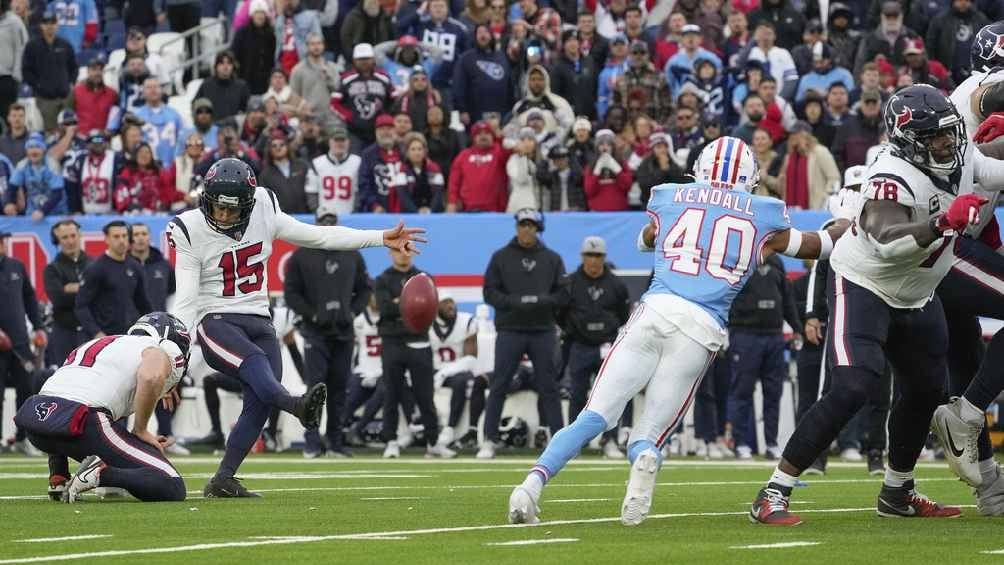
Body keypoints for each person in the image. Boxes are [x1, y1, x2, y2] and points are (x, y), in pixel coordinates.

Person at [507, 137, 852, 525]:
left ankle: (530, 485)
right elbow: (821, 245)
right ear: (749, 177)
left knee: (594, 415)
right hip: (701, 327)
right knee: (651, 432)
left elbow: (646, 239)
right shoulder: (764, 214)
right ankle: (645, 456)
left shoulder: (672, 196)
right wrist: (849, 216)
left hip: (654, 310)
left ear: (701, 168)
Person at [749, 84, 1004, 525]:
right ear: (909, 141)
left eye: (950, 131)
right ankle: (774, 490)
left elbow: (994, 170)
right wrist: (941, 222)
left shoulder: (959, 154)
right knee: (854, 386)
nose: (948, 142)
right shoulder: (890, 175)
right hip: (865, 286)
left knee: (926, 390)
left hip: (918, 294)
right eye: (936, 136)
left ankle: (897, 491)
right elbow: (887, 240)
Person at [167, 158, 426, 496]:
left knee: (260, 400)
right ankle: (296, 405)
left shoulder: (264, 207)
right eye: (218, 207)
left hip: (259, 317)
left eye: (233, 209)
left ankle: (224, 478)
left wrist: (380, 237)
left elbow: (321, 236)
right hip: (215, 319)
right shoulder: (189, 228)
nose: (225, 216)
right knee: (258, 366)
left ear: (249, 203)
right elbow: (186, 301)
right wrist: (174, 358)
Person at [22, 312, 190, 503]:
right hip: (84, 423)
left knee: (68, 400)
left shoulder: (100, 344)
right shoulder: (159, 347)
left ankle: (58, 475)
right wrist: (141, 430)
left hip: (36, 423)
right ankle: (100, 473)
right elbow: (151, 377)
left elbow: (65, 391)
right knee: (172, 484)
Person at [479, 208, 567, 459]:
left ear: (538, 228)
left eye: (531, 225)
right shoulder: (500, 257)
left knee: (549, 387)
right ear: (516, 227)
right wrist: (514, 302)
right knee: (499, 384)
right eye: (523, 224)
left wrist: (542, 301)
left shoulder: (552, 258)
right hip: (510, 329)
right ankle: (489, 440)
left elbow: (563, 293)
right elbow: (489, 292)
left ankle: (560, 442)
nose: (526, 229)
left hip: (542, 330)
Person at [284, 205, 371, 457]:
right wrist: (312, 314)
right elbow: (291, 293)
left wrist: (352, 312)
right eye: (324, 221)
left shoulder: (352, 254)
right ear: (315, 223)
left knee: (340, 388)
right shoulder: (301, 256)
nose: (328, 225)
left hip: (343, 331)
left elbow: (365, 289)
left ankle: (335, 441)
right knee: (315, 388)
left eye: (332, 220)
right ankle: (312, 442)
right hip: (315, 331)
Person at [374, 247, 455, 459]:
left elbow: (429, 307)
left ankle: (433, 443)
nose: (403, 254)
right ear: (390, 253)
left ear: (414, 252)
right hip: (392, 341)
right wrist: (410, 303)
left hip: (419, 340)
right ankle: (391, 441)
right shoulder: (382, 279)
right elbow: (385, 309)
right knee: (391, 392)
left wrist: (399, 303)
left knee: (425, 394)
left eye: (407, 250)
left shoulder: (424, 278)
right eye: (398, 250)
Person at [560, 236, 629, 460]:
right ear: (582, 257)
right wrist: (574, 330)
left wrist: (607, 331)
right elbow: (560, 313)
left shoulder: (616, 284)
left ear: (604, 257)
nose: (593, 260)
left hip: (606, 346)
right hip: (580, 345)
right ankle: (574, 444)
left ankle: (610, 440)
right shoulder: (570, 283)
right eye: (589, 255)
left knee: (611, 395)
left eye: (597, 255)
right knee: (577, 395)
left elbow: (623, 315)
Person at [728, 252, 802, 460]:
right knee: (742, 390)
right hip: (745, 333)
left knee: (773, 392)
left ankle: (771, 443)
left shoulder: (776, 262)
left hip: (773, 335)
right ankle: (740, 442)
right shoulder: (738, 258)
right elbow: (725, 295)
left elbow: (786, 298)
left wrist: (797, 328)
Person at [0, 230, 46, 456]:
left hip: (19, 342)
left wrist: (38, 327)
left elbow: (29, 297)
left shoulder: (16, 266)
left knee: (27, 390)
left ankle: (23, 438)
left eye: (1, 241)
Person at [75, 221, 153, 340]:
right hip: (104, 337)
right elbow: (81, 306)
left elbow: (143, 303)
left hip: (128, 336)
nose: (121, 240)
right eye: (116, 237)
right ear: (107, 239)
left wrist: (153, 327)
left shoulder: (135, 267)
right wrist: (96, 332)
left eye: (124, 236)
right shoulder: (96, 268)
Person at [429, 292, 485, 448]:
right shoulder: (427, 323)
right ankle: (418, 425)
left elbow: (471, 359)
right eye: (445, 302)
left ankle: (450, 428)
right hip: (434, 369)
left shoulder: (466, 322)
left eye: (452, 302)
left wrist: (443, 373)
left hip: (455, 371)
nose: (450, 306)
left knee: (462, 380)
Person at [43, 219, 91, 367]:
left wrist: (73, 288)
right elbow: (59, 300)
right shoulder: (51, 269)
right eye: (64, 237)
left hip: (91, 332)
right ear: (57, 241)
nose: (70, 241)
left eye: (73, 235)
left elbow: (102, 298)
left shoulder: (94, 264)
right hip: (64, 334)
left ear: (80, 236)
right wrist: (87, 290)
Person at [22, 11, 76, 131]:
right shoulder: (32, 46)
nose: (49, 26)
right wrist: (38, 86)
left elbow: (73, 67)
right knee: (51, 134)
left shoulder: (65, 45)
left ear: (57, 25)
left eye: (52, 23)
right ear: (41, 25)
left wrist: (70, 83)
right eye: (46, 23)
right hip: (45, 99)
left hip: (66, 97)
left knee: (68, 130)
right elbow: (26, 70)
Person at [333, 43, 393, 150]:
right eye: (360, 59)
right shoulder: (346, 78)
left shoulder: (384, 77)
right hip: (354, 131)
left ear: (373, 59)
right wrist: (349, 116)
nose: (364, 62)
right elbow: (334, 103)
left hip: (379, 130)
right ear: (354, 60)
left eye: (367, 59)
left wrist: (386, 116)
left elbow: (394, 98)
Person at [453, 24, 514, 126]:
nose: (483, 35)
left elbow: (510, 85)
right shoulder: (466, 58)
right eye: (479, 32)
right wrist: (462, 110)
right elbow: (459, 85)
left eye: (486, 32)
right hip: (475, 116)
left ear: (491, 35)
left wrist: (511, 109)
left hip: (502, 115)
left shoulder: (502, 57)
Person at [4, 133, 66, 219]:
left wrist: (43, 211)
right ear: (26, 151)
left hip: (56, 213)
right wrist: (8, 203)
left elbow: (58, 194)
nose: (34, 151)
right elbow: (12, 188)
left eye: (38, 147)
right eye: (30, 147)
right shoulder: (22, 165)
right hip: (33, 212)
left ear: (44, 150)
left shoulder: (52, 165)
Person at [289, 33, 341, 130]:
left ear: (323, 46)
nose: (316, 47)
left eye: (319, 43)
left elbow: (338, 90)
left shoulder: (332, 67)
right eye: (312, 44)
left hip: (330, 118)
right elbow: (294, 95)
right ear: (307, 46)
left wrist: (327, 76)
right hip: (309, 119)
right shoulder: (298, 70)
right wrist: (302, 112)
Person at [308, 127, 359, 216]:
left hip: (350, 216)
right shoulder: (316, 163)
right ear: (329, 142)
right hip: (324, 218)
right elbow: (311, 193)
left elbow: (359, 192)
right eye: (336, 140)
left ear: (348, 142)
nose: (339, 144)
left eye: (342, 140)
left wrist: (354, 213)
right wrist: (319, 214)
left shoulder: (358, 162)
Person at [135, 78, 185, 167]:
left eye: (155, 86)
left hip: (171, 167)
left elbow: (182, 141)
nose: (153, 90)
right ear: (143, 92)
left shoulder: (174, 115)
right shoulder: (137, 116)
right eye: (149, 87)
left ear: (161, 90)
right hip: (146, 168)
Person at [258, 130, 311, 213]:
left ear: (287, 146)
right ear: (269, 150)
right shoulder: (265, 175)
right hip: (281, 218)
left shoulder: (302, 166)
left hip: (305, 216)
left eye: (281, 144)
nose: (278, 148)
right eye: (274, 146)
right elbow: (265, 202)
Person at [231, 0, 276, 95]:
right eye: (257, 13)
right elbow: (234, 54)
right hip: (245, 79)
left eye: (262, 13)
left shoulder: (270, 34)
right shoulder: (242, 33)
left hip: (265, 81)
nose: (260, 16)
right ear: (252, 15)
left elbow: (272, 57)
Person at [392, 132, 444, 213]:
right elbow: (403, 196)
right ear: (407, 152)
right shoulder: (402, 170)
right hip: (410, 214)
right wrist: (417, 212)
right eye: (413, 149)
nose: (417, 153)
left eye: (420, 149)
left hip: (433, 213)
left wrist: (430, 211)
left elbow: (438, 194)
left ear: (425, 151)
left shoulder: (434, 168)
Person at [68, 54, 117, 134]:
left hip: (103, 137)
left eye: (100, 69)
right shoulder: (76, 92)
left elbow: (115, 117)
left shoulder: (112, 94)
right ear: (88, 71)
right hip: (81, 136)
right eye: (94, 69)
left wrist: (110, 132)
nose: (97, 73)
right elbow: (68, 115)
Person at [584, 129, 632, 211]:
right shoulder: (591, 166)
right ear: (597, 147)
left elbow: (627, 186)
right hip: (597, 212)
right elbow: (589, 191)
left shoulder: (622, 163)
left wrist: (617, 169)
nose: (605, 148)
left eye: (608, 145)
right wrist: (597, 171)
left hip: (620, 211)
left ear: (613, 147)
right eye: (601, 144)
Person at [196, 51, 252, 120]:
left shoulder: (241, 86)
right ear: (216, 66)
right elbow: (196, 106)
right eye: (222, 63)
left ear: (233, 66)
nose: (225, 66)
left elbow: (249, 110)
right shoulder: (206, 85)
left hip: (233, 125)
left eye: (229, 63)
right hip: (211, 125)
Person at [636, 132, 686, 207]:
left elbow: (681, 183)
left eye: (665, 147)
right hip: (650, 205)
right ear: (653, 149)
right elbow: (645, 186)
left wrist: (669, 170)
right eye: (659, 147)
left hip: (671, 204)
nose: (663, 150)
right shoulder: (645, 165)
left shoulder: (672, 164)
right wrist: (663, 171)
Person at [0, 2, 28, 123]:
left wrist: (16, 76)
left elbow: (22, 48)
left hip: (6, 79)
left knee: (8, 119)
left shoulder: (14, 22)